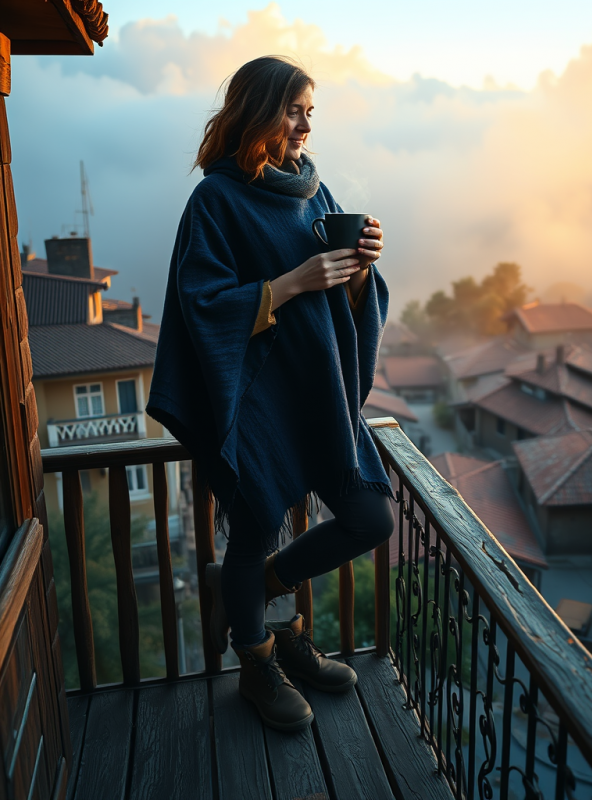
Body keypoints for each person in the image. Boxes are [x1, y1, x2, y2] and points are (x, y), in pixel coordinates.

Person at [146, 56, 395, 732]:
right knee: (253, 530)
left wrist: (360, 271)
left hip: (319, 392)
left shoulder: (315, 191)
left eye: (311, 111)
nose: (306, 125)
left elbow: (342, 296)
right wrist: (294, 281)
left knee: (371, 519)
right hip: (256, 404)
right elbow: (202, 305)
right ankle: (257, 662)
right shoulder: (215, 201)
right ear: (257, 111)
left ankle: (258, 600)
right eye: (294, 110)